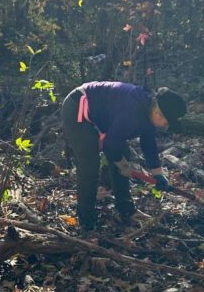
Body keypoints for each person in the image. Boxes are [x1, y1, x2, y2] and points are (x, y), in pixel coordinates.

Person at [62, 81, 187, 230]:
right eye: (166, 122)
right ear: (158, 112)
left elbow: (148, 143)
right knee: (90, 166)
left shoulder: (148, 111)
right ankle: (86, 221)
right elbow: (110, 145)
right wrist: (122, 165)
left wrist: (157, 172)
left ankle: (126, 209)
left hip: (100, 115)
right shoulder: (133, 112)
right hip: (77, 106)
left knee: (123, 153)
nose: (165, 126)